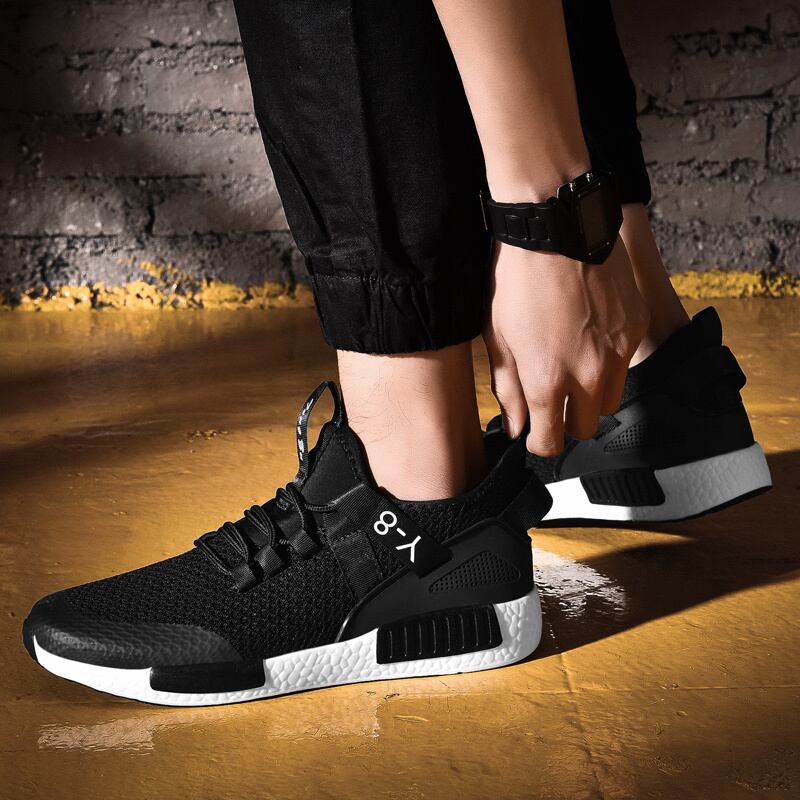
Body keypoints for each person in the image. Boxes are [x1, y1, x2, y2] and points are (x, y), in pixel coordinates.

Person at [23, 0, 770, 704]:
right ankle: (647, 366)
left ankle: (413, 487)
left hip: (424, 518)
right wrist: (574, 223)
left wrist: (553, 221)